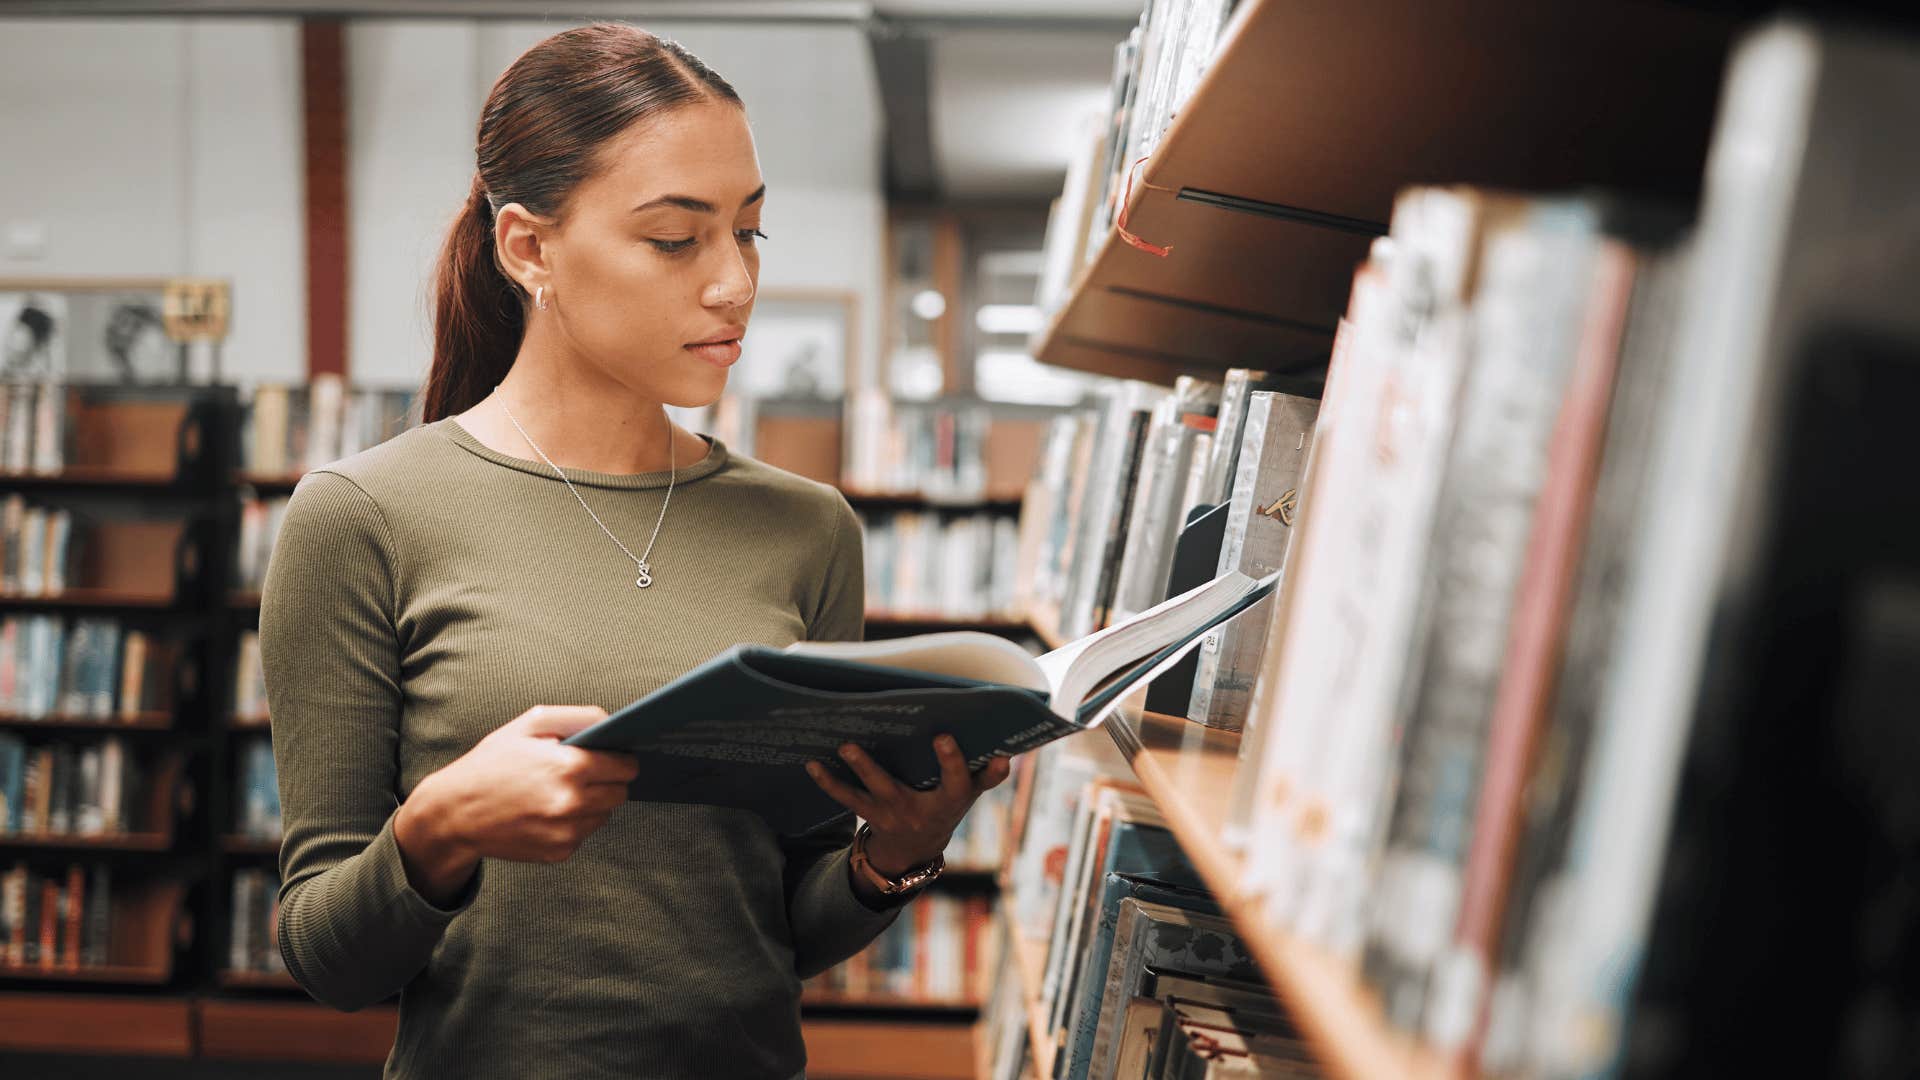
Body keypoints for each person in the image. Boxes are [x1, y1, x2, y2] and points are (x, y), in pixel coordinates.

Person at [260, 24, 1009, 1080]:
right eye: (675, 239)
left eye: (749, 233)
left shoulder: (808, 529)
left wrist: (895, 855)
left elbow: (782, 932)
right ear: (529, 249)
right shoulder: (362, 517)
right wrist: (437, 830)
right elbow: (325, 957)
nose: (733, 284)